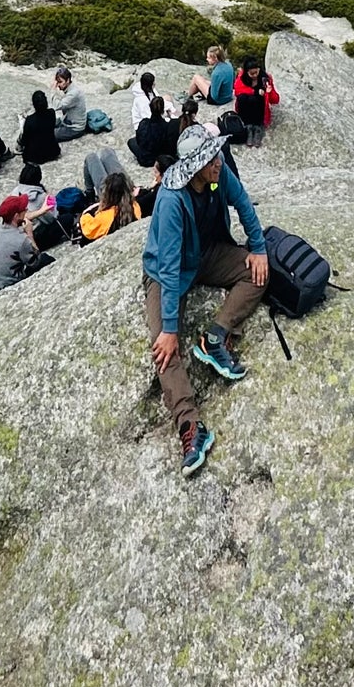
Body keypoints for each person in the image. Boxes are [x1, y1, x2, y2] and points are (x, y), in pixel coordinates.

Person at [142, 120, 269, 478]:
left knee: (258, 272)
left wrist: (258, 249)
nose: (219, 160)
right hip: (171, 271)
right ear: (194, 167)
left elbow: (243, 203)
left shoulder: (217, 173)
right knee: (164, 348)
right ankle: (190, 426)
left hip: (207, 253)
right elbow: (167, 267)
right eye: (211, 158)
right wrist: (169, 328)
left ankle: (215, 337)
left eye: (216, 155)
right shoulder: (171, 201)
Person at [0, 192, 52, 294]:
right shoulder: (21, 240)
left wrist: (41, 211)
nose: (27, 210)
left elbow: (22, 218)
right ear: (16, 216)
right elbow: (36, 261)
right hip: (5, 288)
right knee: (46, 259)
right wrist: (30, 234)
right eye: (24, 209)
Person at [81, 170, 143, 240]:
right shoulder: (135, 207)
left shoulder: (105, 216)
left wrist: (86, 213)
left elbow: (89, 230)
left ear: (107, 194)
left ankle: (89, 195)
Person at [233, 59, 279, 145]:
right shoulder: (242, 78)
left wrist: (270, 91)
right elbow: (237, 91)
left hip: (259, 109)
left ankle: (257, 128)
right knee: (242, 97)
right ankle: (248, 127)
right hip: (245, 109)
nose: (254, 75)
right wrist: (254, 92)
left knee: (255, 99)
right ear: (246, 72)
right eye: (251, 73)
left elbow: (275, 100)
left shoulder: (265, 78)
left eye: (256, 72)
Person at [130, 94, 179, 171]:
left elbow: (139, 140)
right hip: (159, 158)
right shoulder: (166, 126)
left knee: (131, 141)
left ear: (150, 108)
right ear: (163, 110)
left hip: (144, 159)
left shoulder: (144, 123)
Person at [19, 89, 60, 164]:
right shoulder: (52, 113)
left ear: (34, 105)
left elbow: (24, 140)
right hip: (52, 152)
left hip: (34, 157)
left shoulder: (30, 120)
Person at [53, 66, 88, 141]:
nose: (58, 85)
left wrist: (53, 91)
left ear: (68, 80)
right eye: (57, 82)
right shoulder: (69, 89)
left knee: (46, 135)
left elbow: (57, 106)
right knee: (45, 124)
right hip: (66, 121)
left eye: (60, 82)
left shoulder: (73, 93)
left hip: (74, 128)